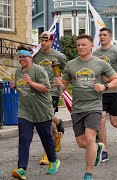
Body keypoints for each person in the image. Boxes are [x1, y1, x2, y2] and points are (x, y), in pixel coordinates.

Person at [54, 34, 117, 180]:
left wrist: (105, 86)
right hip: (77, 108)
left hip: (94, 106)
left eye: (83, 45)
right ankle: (98, 148)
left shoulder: (100, 64)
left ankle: (88, 173)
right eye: (78, 45)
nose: (80, 47)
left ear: (91, 46)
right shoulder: (71, 65)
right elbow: (63, 87)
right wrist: (60, 85)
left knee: (90, 138)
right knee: (81, 143)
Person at [10, 45, 60, 179]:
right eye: (19, 56)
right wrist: (15, 87)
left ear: (30, 56)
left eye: (24, 56)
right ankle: (21, 169)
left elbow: (46, 88)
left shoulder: (38, 70)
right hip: (25, 111)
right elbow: (23, 90)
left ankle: (54, 161)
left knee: (46, 137)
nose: (21, 59)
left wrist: (31, 82)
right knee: (24, 138)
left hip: (42, 109)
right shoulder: (18, 72)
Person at [93, 27, 117, 162]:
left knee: (115, 121)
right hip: (101, 92)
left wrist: (113, 77)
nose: (102, 37)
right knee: (101, 119)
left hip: (115, 91)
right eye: (100, 35)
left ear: (110, 37)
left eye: (104, 35)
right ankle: (104, 151)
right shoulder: (96, 53)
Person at [33, 31, 67, 165]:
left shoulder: (59, 56)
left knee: (46, 121)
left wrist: (63, 81)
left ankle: (48, 153)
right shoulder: (35, 56)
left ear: (52, 41)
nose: (43, 42)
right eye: (42, 40)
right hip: (38, 91)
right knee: (49, 120)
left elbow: (69, 71)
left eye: (46, 40)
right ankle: (58, 124)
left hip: (52, 91)